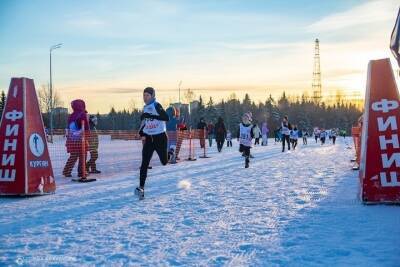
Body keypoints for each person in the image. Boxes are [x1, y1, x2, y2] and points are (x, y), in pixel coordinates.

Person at [136, 87, 169, 199]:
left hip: (160, 138)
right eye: (144, 95)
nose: (145, 97)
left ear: (152, 96)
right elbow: (145, 122)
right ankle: (141, 188)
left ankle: (171, 153)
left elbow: (166, 117)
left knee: (164, 162)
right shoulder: (145, 107)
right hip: (149, 139)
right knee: (144, 164)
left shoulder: (156, 105)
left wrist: (150, 116)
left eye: (147, 95)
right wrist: (140, 132)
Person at [63, 99, 90, 179]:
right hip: (80, 138)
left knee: (73, 155)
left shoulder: (71, 115)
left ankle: (67, 171)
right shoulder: (83, 114)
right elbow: (86, 127)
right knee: (83, 155)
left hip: (72, 139)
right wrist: (88, 135)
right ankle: (82, 172)